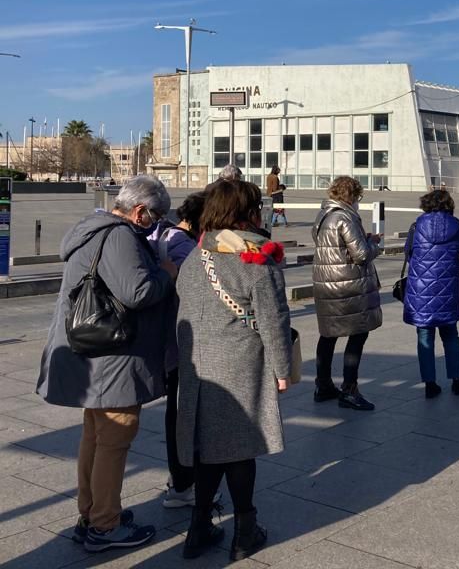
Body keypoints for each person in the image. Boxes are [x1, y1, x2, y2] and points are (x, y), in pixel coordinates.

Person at [36, 175, 178, 554]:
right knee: (115, 439)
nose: (158, 222)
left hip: (94, 354)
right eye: (157, 215)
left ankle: (94, 511)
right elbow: (138, 292)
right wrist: (166, 274)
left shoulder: (93, 227)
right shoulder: (119, 235)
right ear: (139, 211)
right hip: (113, 357)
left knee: (95, 438)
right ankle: (104, 526)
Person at [174, 179, 293, 560]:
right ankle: (245, 531)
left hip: (198, 367)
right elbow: (274, 319)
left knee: (208, 446)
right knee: (241, 448)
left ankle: (199, 526)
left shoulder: (197, 255)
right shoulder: (254, 257)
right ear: (247, 211)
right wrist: (282, 367)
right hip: (240, 361)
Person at [146, 192, 223, 510]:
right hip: (180, 343)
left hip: (171, 339)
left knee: (178, 413)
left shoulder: (164, 235)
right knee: (180, 415)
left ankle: (180, 478)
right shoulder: (183, 245)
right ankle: (182, 483)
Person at [311, 176, 382, 410]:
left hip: (326, 283)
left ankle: (323, 384)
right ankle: (349, 390)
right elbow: (361, 255)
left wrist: (363, 240)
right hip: (348, 286)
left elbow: (332, 247)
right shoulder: (345, 217)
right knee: (358, 334)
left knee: (328, 335)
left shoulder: (324, 215)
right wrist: (375, 245)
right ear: (352, 196)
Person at [403, 190, 459, 398]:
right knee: (450, 334)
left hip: (421, 289)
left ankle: (430, 383)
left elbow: (408, 253)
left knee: (425, 336)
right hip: (448, 287)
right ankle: (457, 380)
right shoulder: (456, 227)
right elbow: (458, 249)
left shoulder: (416, 226)